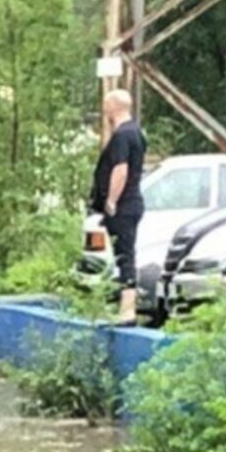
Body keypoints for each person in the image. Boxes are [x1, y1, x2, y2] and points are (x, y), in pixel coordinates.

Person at [91, 89, 147, 325]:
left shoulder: (123, 136)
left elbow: (120, 169)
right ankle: (121, 305)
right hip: (131, 203)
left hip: (123, 205)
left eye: (106, 105)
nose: (104, 110)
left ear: (114, 106)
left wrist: (111, 200)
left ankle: (127, 311)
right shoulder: (136, 133)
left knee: (125, 254)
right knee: (120, 253)